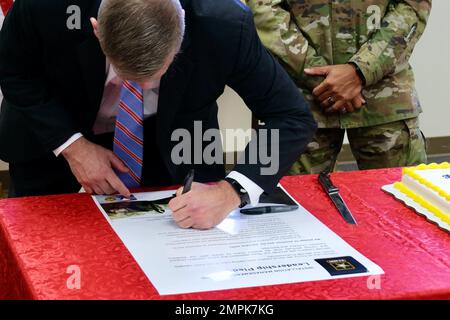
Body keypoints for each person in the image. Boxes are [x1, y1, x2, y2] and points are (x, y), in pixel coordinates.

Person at [0, 0, 317, 229]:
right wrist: (72, 146)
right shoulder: (47, 7)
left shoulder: (223, 24)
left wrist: (233, 191)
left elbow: (290, 116)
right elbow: (13, 69)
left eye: (155, 77)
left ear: (182, 37)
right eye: (127, 78)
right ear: (96, 30)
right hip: (56, 135)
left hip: (174, 145)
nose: (142, 88)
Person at [245, 0, 431, 174]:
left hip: (384, 97)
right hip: (301, 101)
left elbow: (412, 6)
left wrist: (362, 70)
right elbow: (265, 10)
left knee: (400, 200)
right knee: (293, 202)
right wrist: (322, 78)